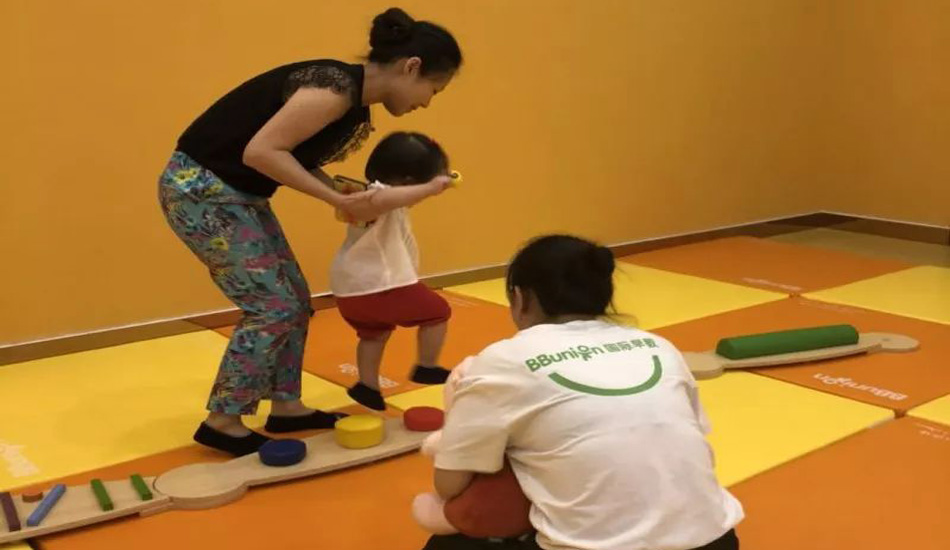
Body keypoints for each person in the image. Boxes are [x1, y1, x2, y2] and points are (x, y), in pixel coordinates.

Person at [157, 7, 462, 456]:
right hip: (200, 190)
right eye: (433, 89)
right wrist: (336, 200)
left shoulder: (352, 103)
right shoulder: (333, 90)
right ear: (411, 67)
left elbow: (290, 156)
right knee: (272, 305)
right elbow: (262, 152)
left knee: (295, 301)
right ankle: (223, 420)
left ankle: (286, 407)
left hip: (235, 194)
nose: (427, 102)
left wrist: (337, 189)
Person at [424, 235, 744, 550]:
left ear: (520, 297)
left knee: (453, 538)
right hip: (717, 540)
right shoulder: (659, 346)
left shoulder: (502, 360)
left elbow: (449, 486)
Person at [329, 131, 454, 411]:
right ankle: (427, 366)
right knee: (438, 312)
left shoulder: (371, 197)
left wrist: (431, 185)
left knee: (374, 333)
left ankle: (367, 386)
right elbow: (385, 200)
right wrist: (430, 187)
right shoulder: (374, 197)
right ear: (406, 183)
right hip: (380, 285)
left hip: (352, 290)